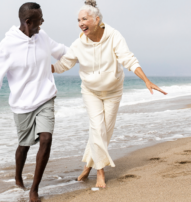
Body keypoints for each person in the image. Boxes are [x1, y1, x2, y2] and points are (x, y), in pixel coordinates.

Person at [51, 0, 167, 188]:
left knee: (104, 132)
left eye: (85, 19)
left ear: (96, 20)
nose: (81, 23)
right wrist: (43, 68)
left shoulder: (114, 36)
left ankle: (88, 167)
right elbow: (63, 64)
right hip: (91, 91)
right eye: (78, 20)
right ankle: (100, 174)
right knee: (97, 128)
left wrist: (146, 80)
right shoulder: (78, 43)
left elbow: (128, 59)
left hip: (113, 91)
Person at [0, 2, 68, 201]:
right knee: (24, 145)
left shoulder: (42, 36)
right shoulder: (7, 45)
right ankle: (18, 177)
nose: (43, 22)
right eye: (40, 19)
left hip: (45, 97)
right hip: (22, 104)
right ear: (28, 22)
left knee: (46, 138)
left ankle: (34, 190)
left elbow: (62, 51)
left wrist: (87, 51)